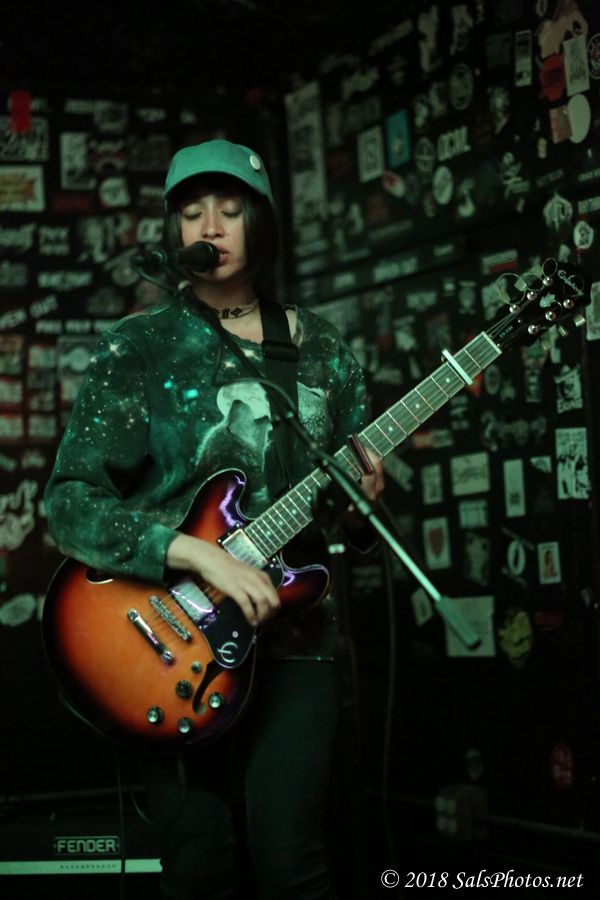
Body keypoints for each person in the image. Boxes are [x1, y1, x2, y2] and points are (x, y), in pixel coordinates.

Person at [44, 138, 384, 899]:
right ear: (174, 231)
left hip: (295, 642)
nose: (211, 226)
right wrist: (197, 554)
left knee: (293, 863)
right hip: (167, 642)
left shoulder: (320, 349)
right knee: (199, 864)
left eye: (230, 210)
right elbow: (69, 504)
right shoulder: (139, 346)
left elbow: (354, 531)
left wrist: (367, 503)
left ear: (260, 223)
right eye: (193, 212)